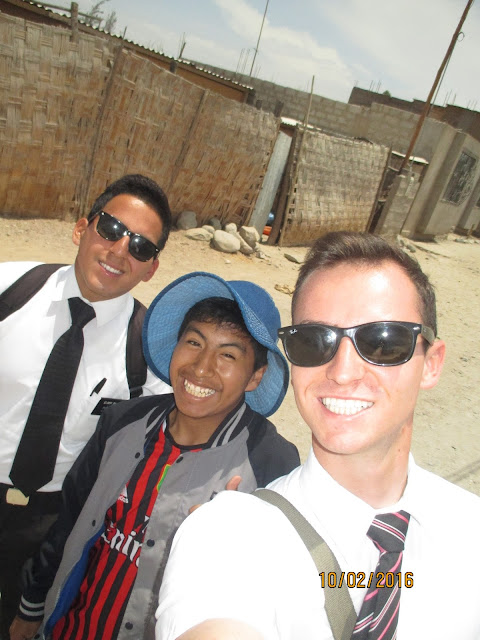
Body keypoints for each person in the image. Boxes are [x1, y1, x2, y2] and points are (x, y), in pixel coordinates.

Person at [155, 231, 480, 640]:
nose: (342, 372)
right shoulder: (229, 534)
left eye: (382, 341)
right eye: (313, 342)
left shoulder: (471, 531)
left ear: (431, 363)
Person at [11, 271, 299, 640]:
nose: (201, 368)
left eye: (228, 354)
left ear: (255, 376)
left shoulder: (271, 464)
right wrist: (33, 605)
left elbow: (277, 591)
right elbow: (70, 518)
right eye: (193, 342)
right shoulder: (121, 423)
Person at [0, 174, 173, 640]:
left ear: (151, 268)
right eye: (111, 228)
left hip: (49, 526)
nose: (120, 250)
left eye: (141, 246)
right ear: (82, 228)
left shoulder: (147, 352)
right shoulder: (10, 287)